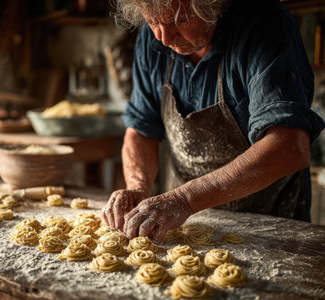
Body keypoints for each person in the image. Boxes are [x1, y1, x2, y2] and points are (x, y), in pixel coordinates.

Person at [101, 0, 325, 243]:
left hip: (269, 228)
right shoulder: (152, 40)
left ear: (212, 5)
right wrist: (138, 186)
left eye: (180, 20)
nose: (163, 37)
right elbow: (141, 129)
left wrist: (184, 200)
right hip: (184, 225)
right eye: (152, 21)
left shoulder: (264, 23)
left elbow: (289, 146)